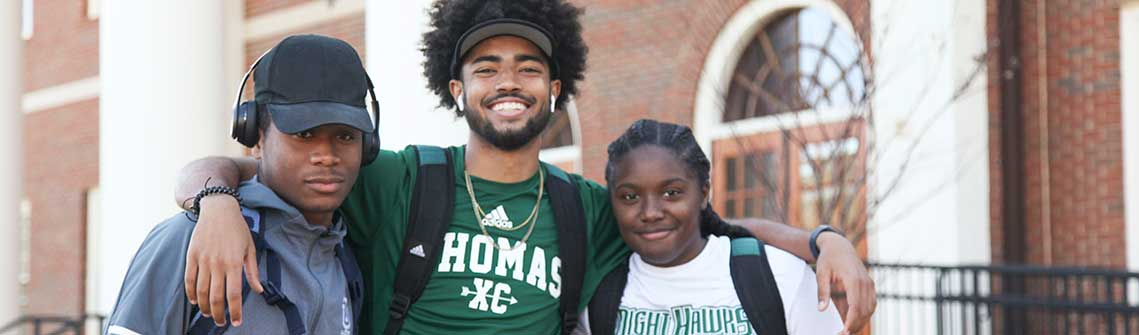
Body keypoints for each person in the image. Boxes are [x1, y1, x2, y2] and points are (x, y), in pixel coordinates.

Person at [173, 0, 876, 334]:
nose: (508, 82)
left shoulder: (585, 205)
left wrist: (821, 241)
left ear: (555, 89)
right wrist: (216, 200)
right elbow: (256, 167)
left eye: (527, 68)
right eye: (486, 68)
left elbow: (704, 222)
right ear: (457, 90)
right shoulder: (401, 177)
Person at [105, 34, 377, 334]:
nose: (326, 156)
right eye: (305, 134)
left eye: (345, 136)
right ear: (256, 137)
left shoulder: (345, 258)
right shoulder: (189, 237)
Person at [576, 119, 843, 335]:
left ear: (703, 193)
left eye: (671, 193)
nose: (651, 213)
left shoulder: (778, 277)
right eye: (630, 197)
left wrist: (827, 239)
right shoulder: (598, 297)